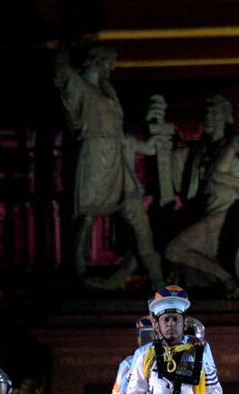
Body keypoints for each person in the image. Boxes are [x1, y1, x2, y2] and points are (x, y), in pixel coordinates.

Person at [52, 40, 164, 288]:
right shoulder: (79, 87)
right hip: (94, 156)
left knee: (134, 208)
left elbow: (120, 134)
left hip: (117, 158)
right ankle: (78, 269)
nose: (110, 70)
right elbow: (61, 74)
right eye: (108, 64)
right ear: (97, 61)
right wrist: (64, 41)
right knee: (88, 213)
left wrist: (144, 147)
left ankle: (154, 274)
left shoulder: (108, 92)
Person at [165, 95, 239, 296]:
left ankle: (228, 280)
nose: (209, 117)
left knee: (174, 249)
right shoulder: (203, 149)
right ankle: (224, 279)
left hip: (225, 217)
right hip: (207, 213)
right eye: (207, 113)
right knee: (171, 246)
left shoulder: (237, 141)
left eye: (214, 113)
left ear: (226, 117)